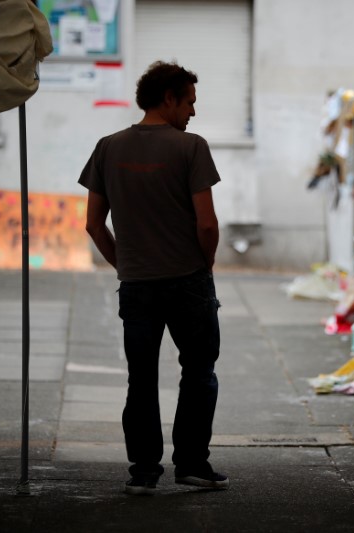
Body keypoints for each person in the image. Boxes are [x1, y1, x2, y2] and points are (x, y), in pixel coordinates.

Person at [78, 60, 227, 495]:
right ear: (169, 98)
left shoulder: (108, 146)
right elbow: (207, 225)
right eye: (190, 103)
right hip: (189, 281)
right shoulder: (191, 147)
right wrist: (207, 263)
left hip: (137, 285)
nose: (192, 114)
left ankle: (143, 471)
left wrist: (124, 265)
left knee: (140, 378)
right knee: (198, 372)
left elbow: (92, 224)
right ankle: (192, 464)